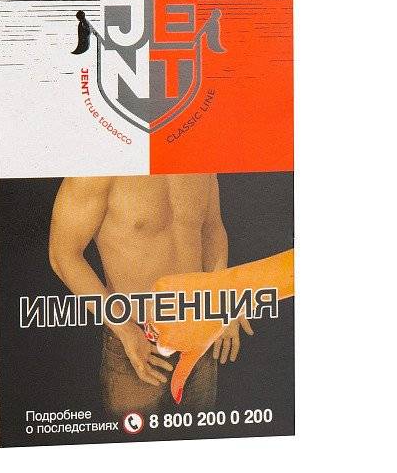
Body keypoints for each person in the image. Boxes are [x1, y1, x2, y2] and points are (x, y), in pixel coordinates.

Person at [49, 174, 252, 416]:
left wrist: (222, 299)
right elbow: (62, 254)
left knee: (201, 436)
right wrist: (125, 330)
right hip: (137, 345)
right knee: (132, 438)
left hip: (201, 338)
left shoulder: (199, 162)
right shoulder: (99, 170)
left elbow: (211, 230)